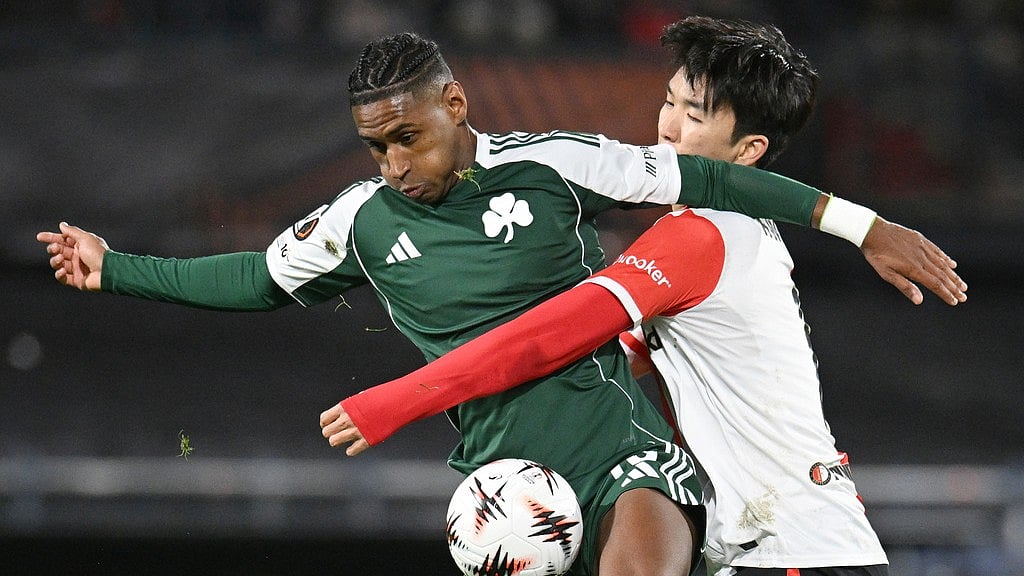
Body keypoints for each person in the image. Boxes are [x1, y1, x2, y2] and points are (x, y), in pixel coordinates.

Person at [39, 32, 961, 576]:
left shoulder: (570, 171)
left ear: (456, 102)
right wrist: (118, 267)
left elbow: (684, 193)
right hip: (509, 489)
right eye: (375, 147)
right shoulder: (358, 223)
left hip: (634, 464)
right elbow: (253, 279)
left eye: (410, 136)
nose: (395, 162)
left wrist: (858, 223)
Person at [318, 19, 968, 576]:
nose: (668, 127)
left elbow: (551, 337)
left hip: (790, 552)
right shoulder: (728, 235)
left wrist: (399, 400)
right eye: (670, 101)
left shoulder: (698, 237)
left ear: (748, 151)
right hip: (788, 547)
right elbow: (595, 364)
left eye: (696, 113)